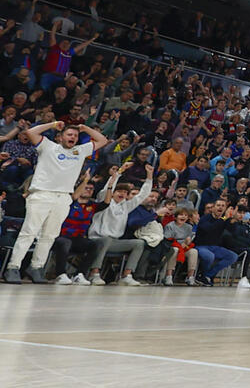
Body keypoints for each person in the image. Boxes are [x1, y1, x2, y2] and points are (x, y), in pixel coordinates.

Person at [4, 120, 108, 284]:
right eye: (69, 134)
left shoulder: (79, 151)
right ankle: (13, 266)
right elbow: (31, 133)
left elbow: (103, 141)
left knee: (49, 236)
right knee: (29, 232)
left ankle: (36, 267)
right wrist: (52, 125)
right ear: (60, 137)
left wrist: (85, 128)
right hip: (42, 194)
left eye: (75, 135)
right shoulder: (48, 146)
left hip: (63, 197)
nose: (72, 137)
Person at [88, 164, 154, 286]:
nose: (122, 194)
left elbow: (143, 194)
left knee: (139, 243)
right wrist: (120, 172)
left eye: (125, 192)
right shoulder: (104, 201)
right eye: (119, 191)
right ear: (113, 192)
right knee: (106, 240)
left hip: (114, 241)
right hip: (97, 239)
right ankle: (94, 273)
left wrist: (149, 176)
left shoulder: (126, 206)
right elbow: (107, 188)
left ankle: (126, 275)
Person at [51, 170, 101, 285]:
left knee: (93, 245)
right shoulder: (70, 201)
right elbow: (74, 196)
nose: (88, 190)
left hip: (77, 238)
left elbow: (106, 203)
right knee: (65, 243)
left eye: (90, 189)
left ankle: (79, 274)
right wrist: (85, 180)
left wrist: (112, 182)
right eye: (86, 188)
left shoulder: (92, 206)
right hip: (60, 236)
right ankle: (60, 274)